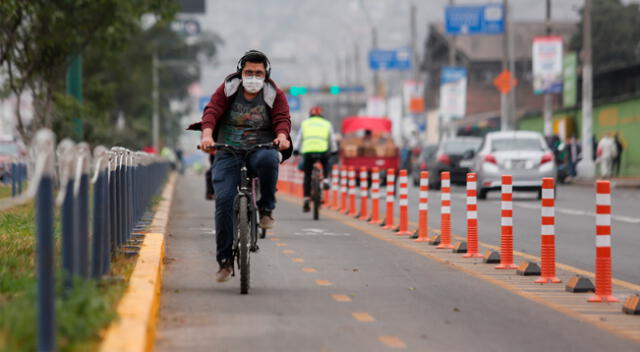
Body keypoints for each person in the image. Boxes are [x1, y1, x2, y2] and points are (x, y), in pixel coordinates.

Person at [189, 50, 292, 282]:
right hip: (227, 151)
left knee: (269, 159)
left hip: (260, 149)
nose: (253, 77)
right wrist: (206, 136)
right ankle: (224, 261)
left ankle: (266, 209)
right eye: (249, 72)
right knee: (224, 200)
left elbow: (282, 119)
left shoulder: (273, 93)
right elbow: (212, 112)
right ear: (240, 73)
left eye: (258, 73)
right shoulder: (228, 89)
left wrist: (282, 136)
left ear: (266, 74)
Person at [293, 106, 337, 212]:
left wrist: (296, 150)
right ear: (321, 114)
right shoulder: (327, 124)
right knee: (326, 163)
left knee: (307, 175)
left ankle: (307, 198)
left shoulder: (305, 123)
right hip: (322, 151)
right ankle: (326, 180)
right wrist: (334, 150)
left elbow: (299, 138)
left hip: (308, 151)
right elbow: (332, 139)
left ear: (310, 114)